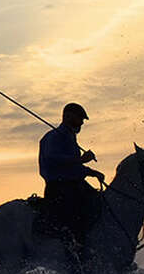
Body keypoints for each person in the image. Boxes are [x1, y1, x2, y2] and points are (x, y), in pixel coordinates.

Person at [37, 102, 105, 259]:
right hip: (59, 187)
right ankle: (73, 253)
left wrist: (92, 172)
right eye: (80, 118)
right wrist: (80, 159)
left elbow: (74, 168)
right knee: (75, 217)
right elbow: (52, 159)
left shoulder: (70, 138)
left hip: (75, 184)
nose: (82, 122)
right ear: (68, 116)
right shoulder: (52, 137)